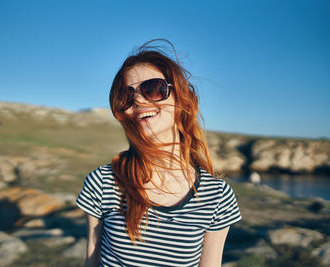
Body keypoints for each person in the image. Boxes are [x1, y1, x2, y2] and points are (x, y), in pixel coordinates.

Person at [76, 40, 241, 267]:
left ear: (181, 96)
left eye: (153, 88)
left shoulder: (217, 197)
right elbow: (91, 263)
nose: (139, 101)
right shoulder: (103, 182)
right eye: (126, 96)